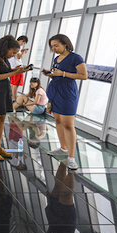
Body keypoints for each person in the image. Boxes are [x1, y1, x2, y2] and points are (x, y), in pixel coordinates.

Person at [44, 34, 88, 171]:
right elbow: (58, 72)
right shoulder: (57, 58)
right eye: (52, 46)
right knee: (58, 121)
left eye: (56, 45)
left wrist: (63, 74)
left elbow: (83, 75)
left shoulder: (76, 58)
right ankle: (63, 148)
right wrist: (52, 74)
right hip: (55, 90)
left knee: (68, 124)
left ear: (65, 44)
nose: (54, 48)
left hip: (68, 93)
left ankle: (71, 157)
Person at [0, 35, 28, 161]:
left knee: (2, 119)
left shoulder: (3, 58)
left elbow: (5, 72)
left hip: (4, 90)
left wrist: (17, 70)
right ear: (6, 48)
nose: (14, 55)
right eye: (13, 52)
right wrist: (14, 73)